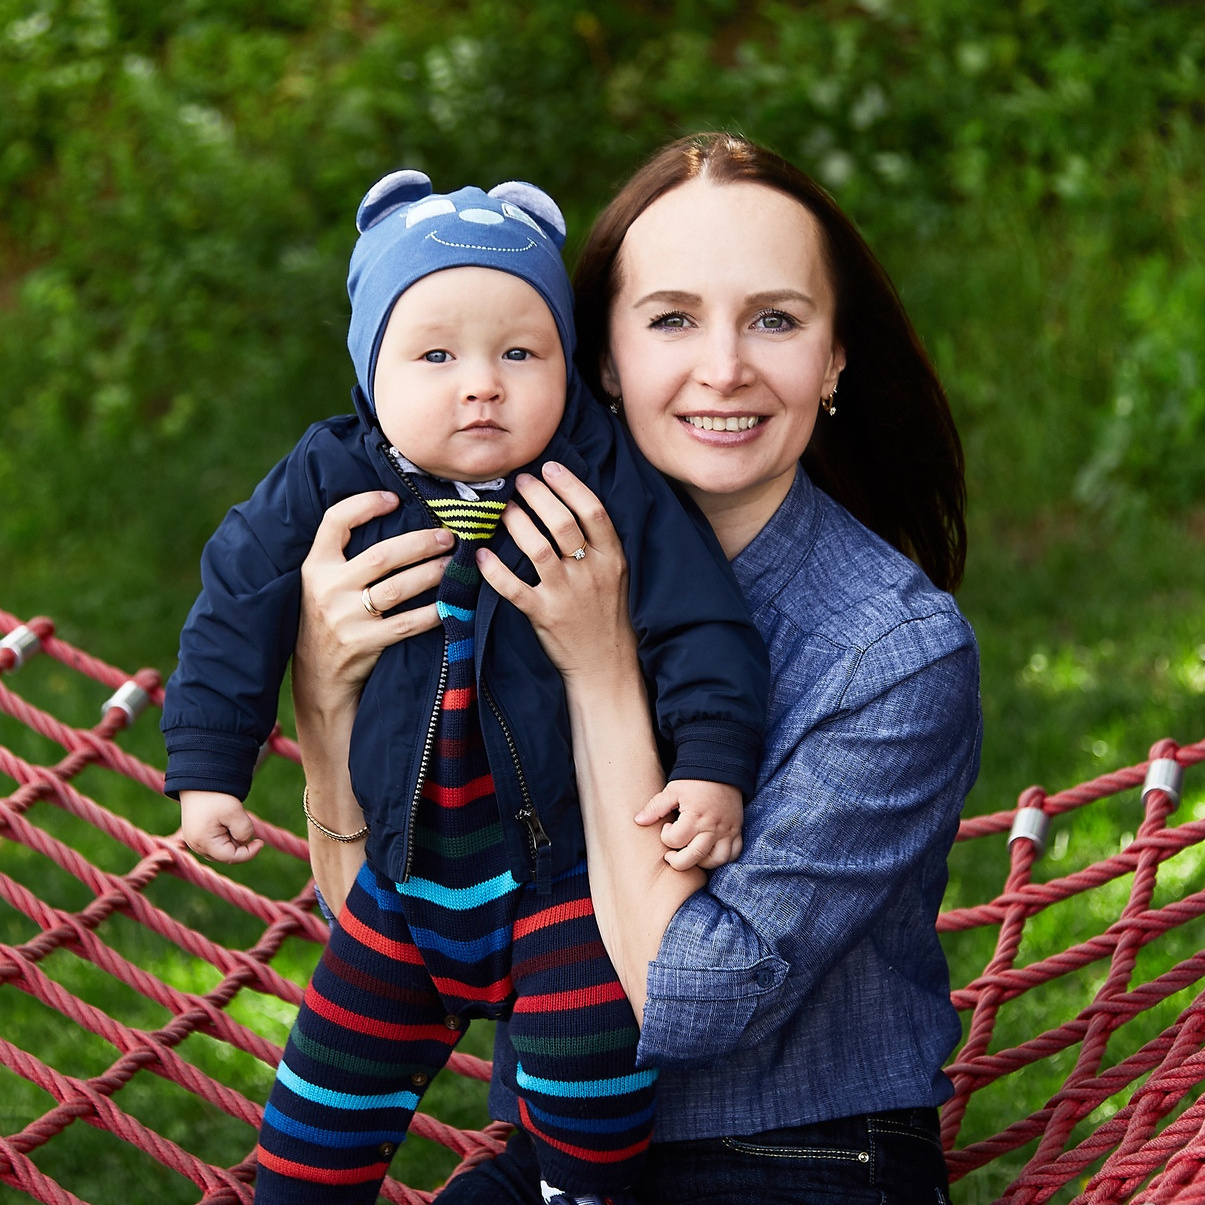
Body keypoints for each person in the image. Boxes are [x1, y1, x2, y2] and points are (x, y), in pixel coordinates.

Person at [288, 132, 982, 1204]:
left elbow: (687, 1000)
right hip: (559, 1154)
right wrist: (327, 696)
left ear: (833, 357)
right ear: (598, 358)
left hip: (797, 1155)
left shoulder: (890, 650)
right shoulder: (481, 556)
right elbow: (387, 923)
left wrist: (603, 668)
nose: (723, 368)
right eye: (670, 319)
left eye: (775, 319)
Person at [160, 170, 770, 1205]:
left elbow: (696, 617)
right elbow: (235, 602)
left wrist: (712, 760)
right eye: (435, 355)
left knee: (589, 1084)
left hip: (564, 872)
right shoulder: (328, 478)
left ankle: (580, 1191)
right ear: (371, 370)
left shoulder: (602, 476)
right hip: (401, 876)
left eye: (517, 353)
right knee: (319, 1108)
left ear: (568, 367)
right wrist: (209, 771)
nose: (479, 383)